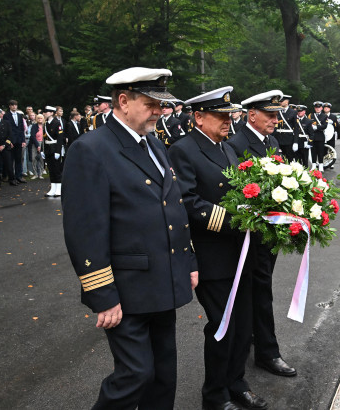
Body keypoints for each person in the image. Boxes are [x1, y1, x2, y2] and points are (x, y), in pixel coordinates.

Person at [62, 67, 198, 409]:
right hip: (127, 288)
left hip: (163, 279)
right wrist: (101, 293)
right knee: (135, 373)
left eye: (161, 104)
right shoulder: (91, 149)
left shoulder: (153, 143)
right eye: (151, 103)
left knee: (164, 373)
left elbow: (173, 208)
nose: (160, 111)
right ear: (123, 101)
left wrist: (188, 262)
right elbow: (85, 229)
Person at [169, 86, 267, 410]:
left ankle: (236, 383)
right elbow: (187, 200)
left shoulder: (225, 148)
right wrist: (234, 219)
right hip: (212, 255)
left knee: (243, 327)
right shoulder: (184, 150)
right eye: (221, 115)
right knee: (222, 328)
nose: (229, 121)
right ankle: (215, 395)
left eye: (229, 115)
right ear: (199, 117)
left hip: (240, 253)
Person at [227, 90, 297, 380]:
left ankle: (253, 338)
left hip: (270, 231)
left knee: (260, 287)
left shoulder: (271, 141)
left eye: (277, 114)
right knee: (260, 290)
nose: (275, 119)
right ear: (251, 114)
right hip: (251, 233)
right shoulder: (236, 145)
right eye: (269, 114)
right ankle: (268, 352)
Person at [42, 106, 64, 197]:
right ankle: (53, 188)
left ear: (51, 113)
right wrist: (43, 150)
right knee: (51, 169)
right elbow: (44, 138)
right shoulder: (46, 123)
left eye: (46, 112)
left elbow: (60, 138)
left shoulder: (57, 123)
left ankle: (59, 188)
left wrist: (58, 151)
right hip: (48, 148)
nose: (44, 113)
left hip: (54, 148)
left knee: (56, 169)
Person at [3, 100, 27, 183]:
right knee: (10, 160)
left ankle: (19, 176)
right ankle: (11, 177)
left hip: (19, 140)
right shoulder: (6, 116)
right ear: (9, 106)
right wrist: (9, 141)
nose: (14, 106)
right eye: (12, 105)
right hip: (11, 140)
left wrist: (23, 140)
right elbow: (7, 130)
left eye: (15, 105)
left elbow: (21, 129)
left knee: (18, 159)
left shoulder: (20, 115)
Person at [273, 94, 298, 161]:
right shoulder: (277, 111)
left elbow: (296, 128)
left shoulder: (293, 112)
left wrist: (295, 142)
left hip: (289, 139)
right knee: (278, 158)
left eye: (282, 101)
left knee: (289, 158)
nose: (280, 102)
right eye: (280, 101)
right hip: (278, 138)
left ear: (287, 102)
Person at [307, 101, 328, 171]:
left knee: (320, 151)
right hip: (312, 136)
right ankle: (313, 165)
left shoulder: (325, 116)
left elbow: (325, 126)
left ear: (321, 108)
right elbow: (308, 123)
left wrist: (317, 127)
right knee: (313, 152)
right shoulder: (311, 115)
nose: (317, 109)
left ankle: (321, 165)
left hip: (320, 136)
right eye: (316, 107)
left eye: (319, 107)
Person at [28, 114, 45, 179]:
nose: (40, 119)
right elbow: (32, 136)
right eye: (38, 118)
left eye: (41, 118)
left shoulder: (44, 126)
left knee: (41, 159)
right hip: (34, 143)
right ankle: (35, 173)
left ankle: (40, 174)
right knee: (33, 158)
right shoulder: (34, 126)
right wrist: (37, 145)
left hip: (42, 143)